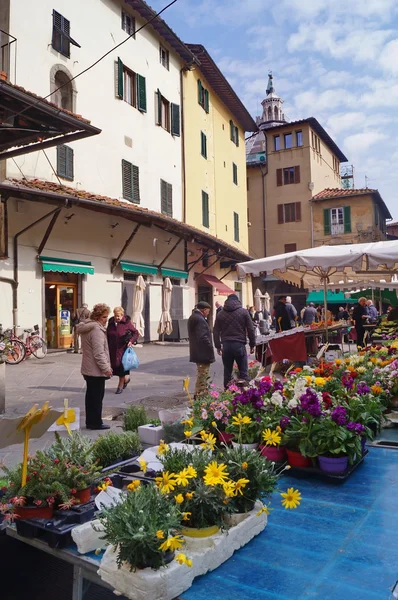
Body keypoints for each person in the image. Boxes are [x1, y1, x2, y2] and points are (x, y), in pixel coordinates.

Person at [76, 303, 113, 430]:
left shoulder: (87, 327)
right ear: (97, 317)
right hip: (95, 370)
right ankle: (95, 423)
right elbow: (98, 353)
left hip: (88, 368)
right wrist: (106, 368)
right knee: (96, 398)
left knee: (91, 397)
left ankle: (91, 421)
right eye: (104, 317)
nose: (106, 320)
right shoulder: (96, 330)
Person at [213, 294, 256, 389]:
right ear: (238, 301)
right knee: (243, 372)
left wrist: (218, 346)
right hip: (239, 345)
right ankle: (244, 393)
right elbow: (250, 329)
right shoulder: (244, 312)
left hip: (226, 346)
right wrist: (252, 344)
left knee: (227, 372)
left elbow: (215, 331)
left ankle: (227, 394)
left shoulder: (220, 314)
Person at [107, 306, 139, 395]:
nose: (117, 318)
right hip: (112, 349)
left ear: (122, 315)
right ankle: (126, 379)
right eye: (115, 315)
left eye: (118, 316)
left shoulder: (126, 323)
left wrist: (131, 341)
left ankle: (120, 386)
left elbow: (136, 333)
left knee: (122, 367)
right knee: (115, 367)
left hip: (123, 349)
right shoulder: (111, 322)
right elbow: (108, 334)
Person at [188, 301, 215, 397]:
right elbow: (203, 337)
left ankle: (200, 393)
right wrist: (210, 347)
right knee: (203, 375)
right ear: (204, 310)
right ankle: (200, 395)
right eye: (208, 311)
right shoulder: (199, 319)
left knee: (201, 374)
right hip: (202, 352)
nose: (208, 313)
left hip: (197, 351)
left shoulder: (193, 317)